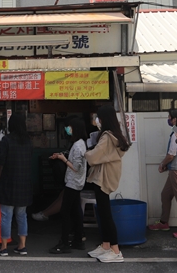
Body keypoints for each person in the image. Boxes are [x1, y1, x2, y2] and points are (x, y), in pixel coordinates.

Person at [85, 105, 130, 263]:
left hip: (102, 179)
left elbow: (94, 156)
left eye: (98, 117)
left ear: (103, 119)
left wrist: (86, 152)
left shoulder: (106, 137)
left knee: (105, 215)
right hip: (108, 177)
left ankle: (116, 250)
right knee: (103, 214)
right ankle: (105, 246)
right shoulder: (115, 136)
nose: (97, 120)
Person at [0, 113, 32, 256]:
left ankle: (4, 247)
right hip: (24, 182)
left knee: (6, 216)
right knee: (22, 215)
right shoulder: (28, 141)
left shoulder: (7, 140)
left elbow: (1, 160)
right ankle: (22, 245)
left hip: (9, 181)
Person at [48, 117, 87, 254]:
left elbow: (76, 167)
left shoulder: (77, 145)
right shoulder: (80, 143)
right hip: (77, 183)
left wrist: (62, 159)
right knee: (76, 211)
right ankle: (78, 240)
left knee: (65, 212)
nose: (67, 129)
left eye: (69, 127)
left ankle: (64, 242)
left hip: (73, 182)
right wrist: (61, 155)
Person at [149, 108, 177, 239]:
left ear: (174, 119)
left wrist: (162, 164)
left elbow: (171, 155)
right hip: (174, 169)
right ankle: (164, 222)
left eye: (169, 117)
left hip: (176, 170)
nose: (168, 119)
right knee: (165, 195)